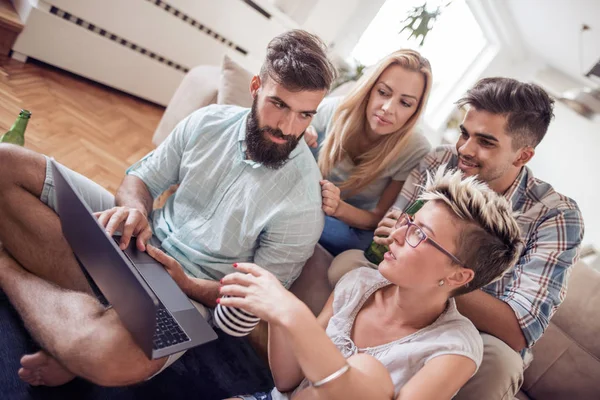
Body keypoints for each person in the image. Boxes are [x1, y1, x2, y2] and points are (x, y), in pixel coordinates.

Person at [0, 29, 336, 395]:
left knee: (111, 355)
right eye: (279, 105)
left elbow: (247, 309)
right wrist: (134, 211)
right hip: (141, 238)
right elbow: (140, 179)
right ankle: (82, 326)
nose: (288, 128)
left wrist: (187, 284)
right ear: (256, 86)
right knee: (7, 163)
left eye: (305, 115)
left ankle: (9, 271)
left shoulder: (302, 207)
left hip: (189, 291)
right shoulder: (208, 122)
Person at [328, 77, 585, 399]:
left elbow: (518, 331)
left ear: (523, 156)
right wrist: (395, 238)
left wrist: (433, 276)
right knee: (348, 266)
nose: (464, 149)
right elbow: (384, 249)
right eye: (464, 133)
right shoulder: (439, 160)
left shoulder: (556, 216)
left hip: (479, 328)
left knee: (501, 362)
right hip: (406, 293)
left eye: (486, 142)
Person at [218, 167, 522, 400]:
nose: (398, 234)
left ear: (457, 276)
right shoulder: (358, 283)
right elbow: (287, 381)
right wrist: (277, 314)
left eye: (420, 234)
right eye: (408, 222)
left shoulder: (455, 347)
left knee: (370, 372)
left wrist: (294, 316)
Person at [303, 49, 432, 256]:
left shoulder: (415, 148)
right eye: (383, 92)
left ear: (415, 111)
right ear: (370, 89)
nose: (388, 108)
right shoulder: (339, 110)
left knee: (353, 243)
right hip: (306, 199)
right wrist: (302, 132)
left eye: (405, 103)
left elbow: (378, 217)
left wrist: (337, 208)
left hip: (349, 223)